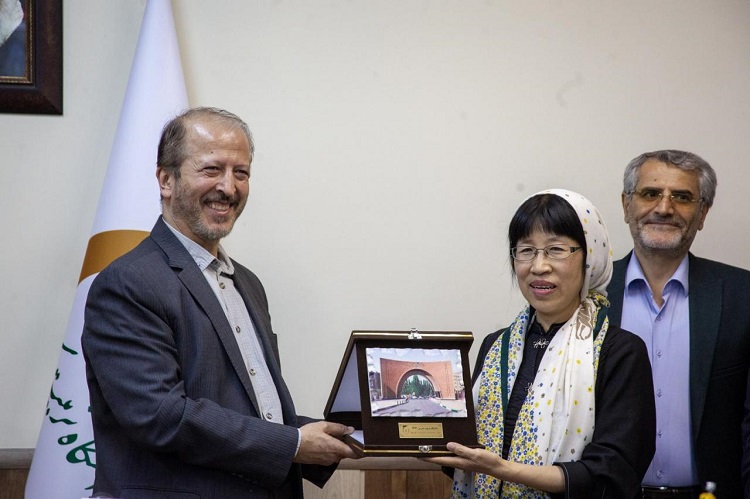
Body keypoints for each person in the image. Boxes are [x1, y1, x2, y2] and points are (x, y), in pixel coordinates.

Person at [82, 107, 357, 498]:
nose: (229, 187)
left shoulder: (248, 283)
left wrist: (344, 433)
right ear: (166, 180)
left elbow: (248, 410)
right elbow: (160, 416)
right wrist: (293, 444)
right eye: (212, 169)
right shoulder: (128, 283)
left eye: (241, 172)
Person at [425, 189, 656, 498]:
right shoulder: (496, 347)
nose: (539, 266)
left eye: (556, 249)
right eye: (526, 250)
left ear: (590, 258)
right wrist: (417, 435)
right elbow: (465, 453)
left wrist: (502, 470)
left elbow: (613, 472)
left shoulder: (619, 352)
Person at [607, 149, 750, 498]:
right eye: (650, 193)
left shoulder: (742, 296)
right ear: (626, 205)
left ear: (702, 213)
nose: (664, 208)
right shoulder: (587, 296)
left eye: (682, 197)